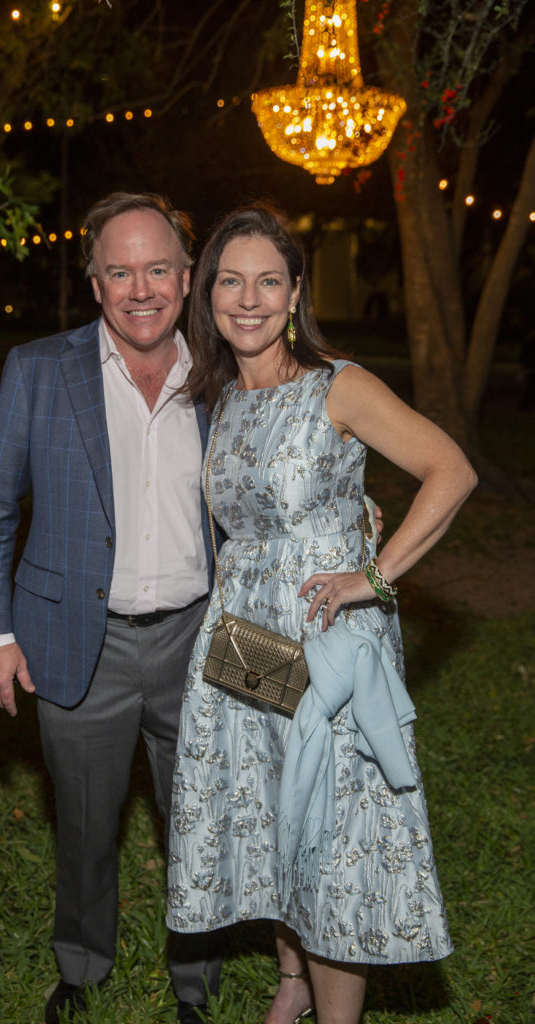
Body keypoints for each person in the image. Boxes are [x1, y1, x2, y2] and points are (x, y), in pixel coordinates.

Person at [166, 204, 477, 1024]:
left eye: (268, 281)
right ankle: (293, 979)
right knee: (277, 811)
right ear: (208, 295)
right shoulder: (224, 396)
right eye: (229, 281)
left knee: (335, 834)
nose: (247, 298)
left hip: (328, 644)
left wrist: (371, 575)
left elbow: (450, 471)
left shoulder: (337, 383)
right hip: (245, 646)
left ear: (296, 291)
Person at [0, 192, 223, 1024]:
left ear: (185, 279)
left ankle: (197, 980)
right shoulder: (39, 368)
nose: (138, 288)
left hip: (199, 640)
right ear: (94, 281)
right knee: (83, 825)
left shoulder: (226, 374)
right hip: (79, 639)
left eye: (157, 269)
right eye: (119, 271)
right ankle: (80, 966)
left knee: (200, 822)